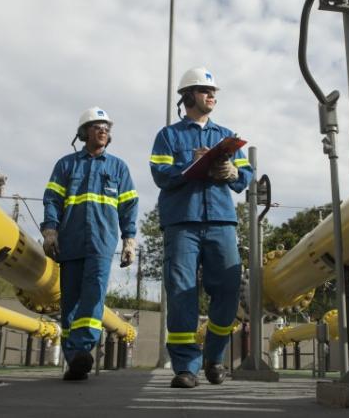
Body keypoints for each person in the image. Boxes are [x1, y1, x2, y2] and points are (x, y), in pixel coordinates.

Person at [149, 67, 253, 388]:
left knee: (227, 289)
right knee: (182, 292)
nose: (212, 96)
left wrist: (233, 171)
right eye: (206, 91)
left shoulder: (227, 136)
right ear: (189, 95)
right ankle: (185, 367)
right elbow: (160, 175)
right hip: (182, 223)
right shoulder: (168, 136)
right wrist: (190, 165)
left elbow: (246, 176)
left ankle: (214, 355)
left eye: (214, 92)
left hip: (221, 222)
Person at [41, 106, 139, 381]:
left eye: (107, 128)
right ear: (84, 132)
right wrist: (50, 230)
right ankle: (76, 359)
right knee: (70, 300)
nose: (104, 131)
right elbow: (52, 200)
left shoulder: (118, 167)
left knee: (93, 294)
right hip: (70, 242)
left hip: (101, 242)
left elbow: (129, 205)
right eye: (97, 126)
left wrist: (129, 239)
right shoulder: (66, 165)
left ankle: (83, 350)